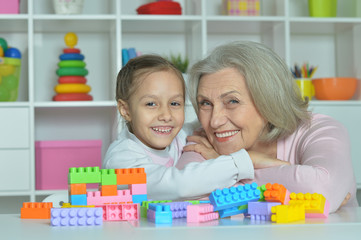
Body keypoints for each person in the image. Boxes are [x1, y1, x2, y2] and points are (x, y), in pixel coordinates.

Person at [176, 41, 358, 212]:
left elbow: (321, 188)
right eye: (205, 103)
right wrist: (302, 193)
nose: (214, 121)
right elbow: (183, 195)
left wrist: (231, 168)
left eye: (232, 101)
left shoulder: (319, 130)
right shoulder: (201, 138)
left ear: (269, 100)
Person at [103, 54, 267, 200]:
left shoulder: (179, 136)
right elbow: (177, 186)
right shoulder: (120, 158)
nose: (166, 115)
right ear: (125, 110)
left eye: (174, 103)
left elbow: (210, 123)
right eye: (151, 104)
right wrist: (244, 160)